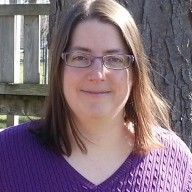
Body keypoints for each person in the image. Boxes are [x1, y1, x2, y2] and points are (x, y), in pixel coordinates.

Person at [0, 0, 191, 191]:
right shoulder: (7, 155)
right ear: (59, 70)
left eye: (115, 59)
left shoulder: (175, 161)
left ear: (135, 73)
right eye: (81, 57)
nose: (98, 74)